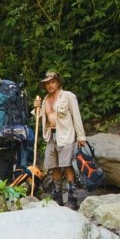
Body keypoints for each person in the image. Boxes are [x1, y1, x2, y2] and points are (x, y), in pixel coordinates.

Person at [34, 71, 86, 209]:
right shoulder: (45, 100)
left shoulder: (68, 96)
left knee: (67, 165)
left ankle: (72, 197)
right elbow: (38, 117)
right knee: (54, 167)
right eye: (47, 83)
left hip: (66, 135)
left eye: (52, 82)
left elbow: (76, 116)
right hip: (51, 136)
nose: (50, 85)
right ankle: (57, 197)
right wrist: (36, 106)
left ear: (58, 83)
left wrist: (81, 137)